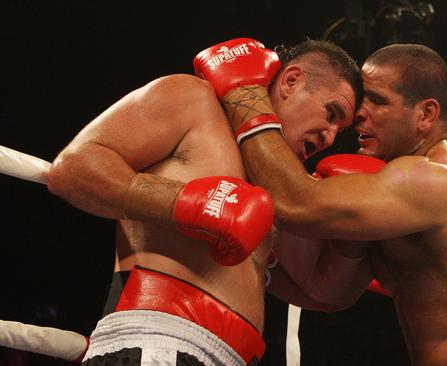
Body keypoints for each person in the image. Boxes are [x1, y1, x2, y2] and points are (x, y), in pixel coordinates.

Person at [207, 43, 447, 365]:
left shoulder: (431, 178)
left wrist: (246, 97)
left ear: (426, 115)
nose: (358, 115)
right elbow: (325, 292)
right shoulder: (386, 194)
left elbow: (296, 203)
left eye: (378, 100)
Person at [45, 37, 363, 366]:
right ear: (292, 80)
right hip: (159, 342)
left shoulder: (279, 190)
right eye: (331, 113)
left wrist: (359, 223)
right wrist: (186, 203)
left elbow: (323, 293)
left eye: (340, 130)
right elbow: (73, 169)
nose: (329, 137)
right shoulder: (193, 100)